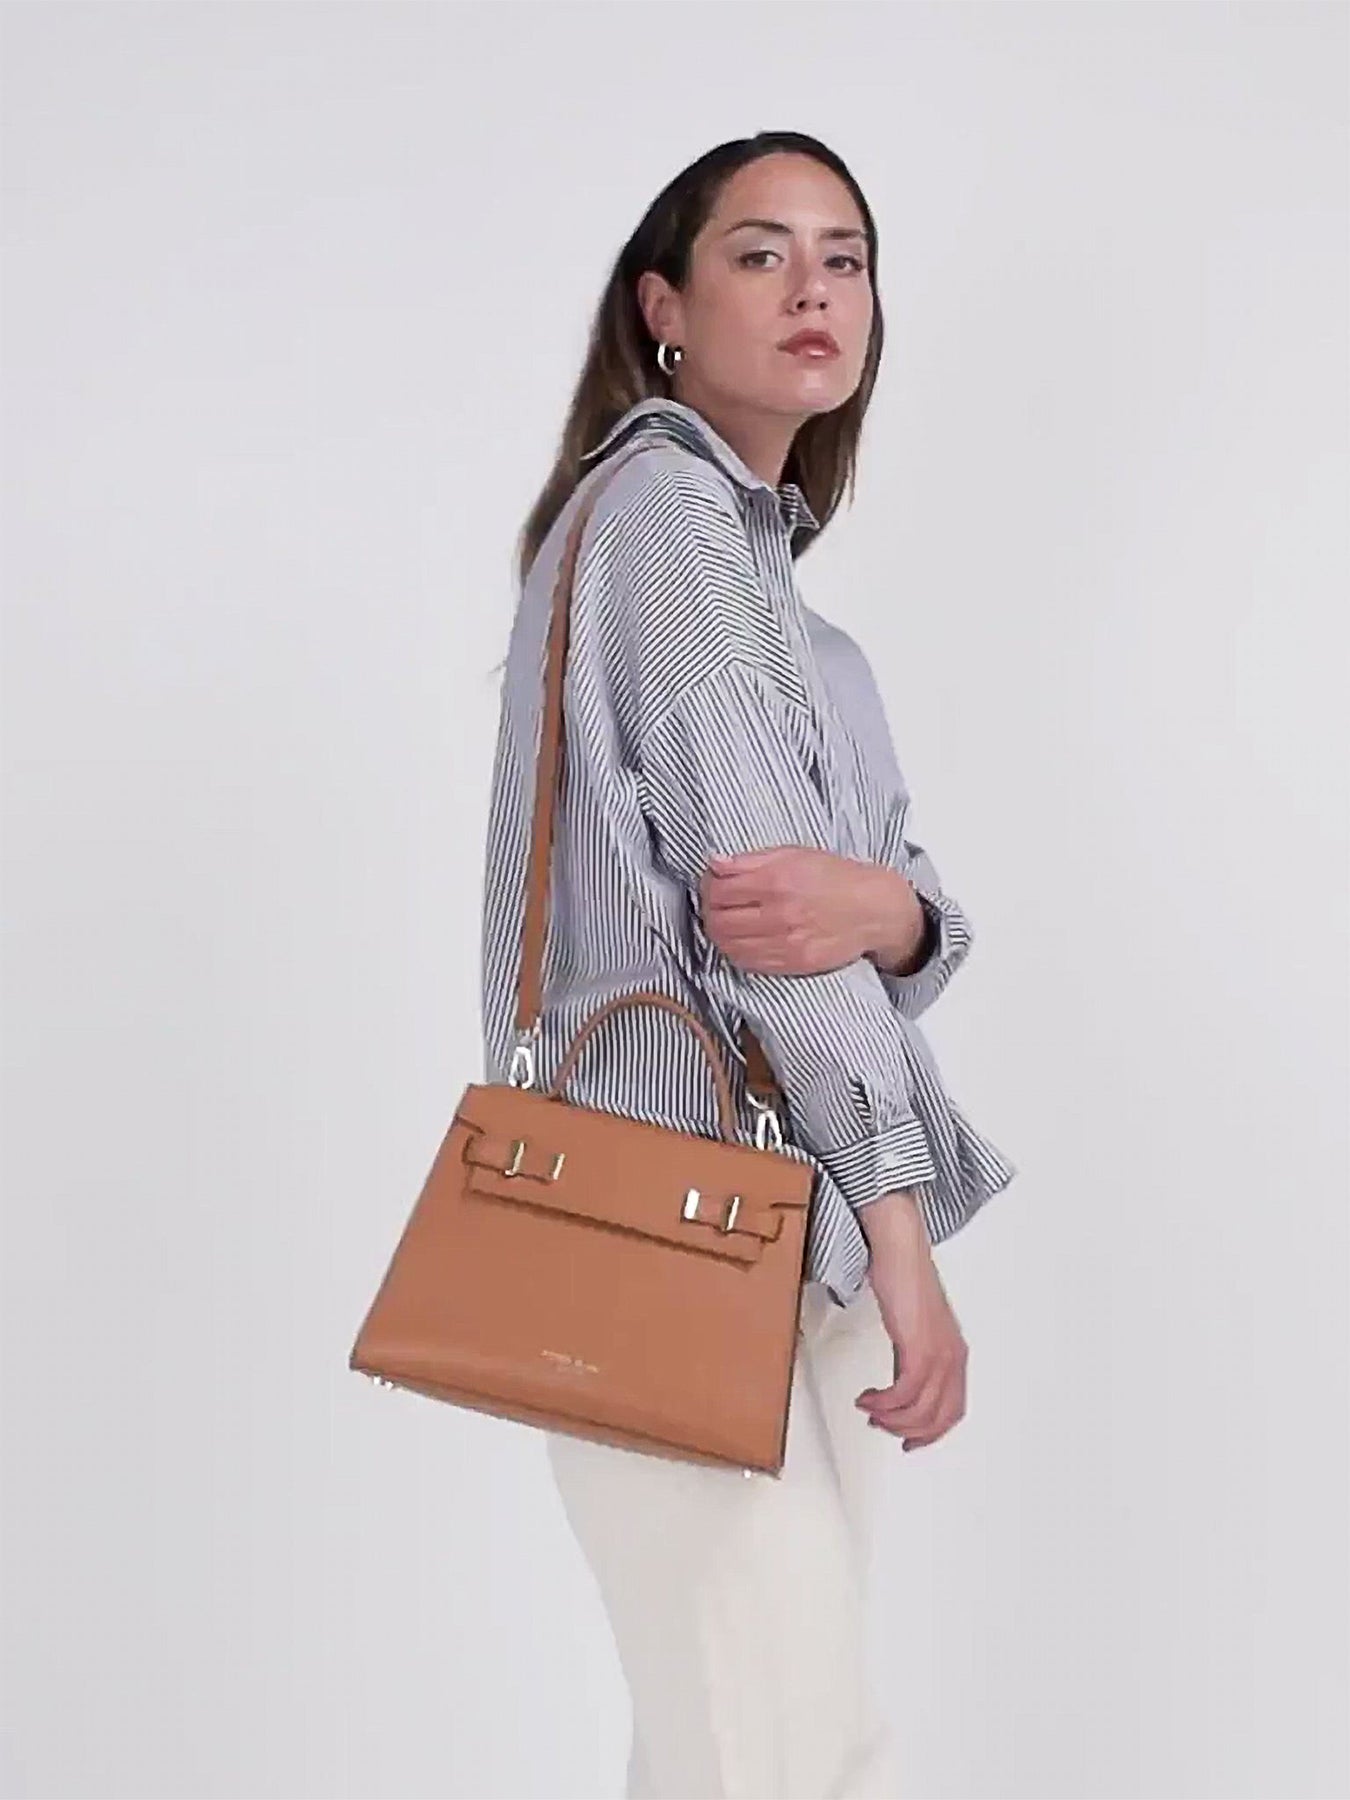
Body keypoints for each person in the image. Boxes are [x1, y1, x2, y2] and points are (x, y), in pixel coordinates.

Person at [480, 130, 1017, 1800]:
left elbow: (884, 910)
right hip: (671, 1238)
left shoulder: (799, 624)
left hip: (771, 1249)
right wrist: (903, 1233)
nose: (811, 290)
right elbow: (771, 932)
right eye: (759, 253)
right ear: (663, 307)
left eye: (843, 259)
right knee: (784, 1756)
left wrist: (897, 913)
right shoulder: (663, 515)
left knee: (737, 1751)